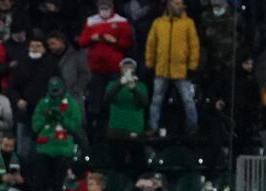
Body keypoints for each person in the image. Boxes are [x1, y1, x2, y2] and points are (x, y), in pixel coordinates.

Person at [77, 0, 134, 136]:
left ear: (111, 8)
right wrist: (93, 37)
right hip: (95, 68)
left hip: (114, 67)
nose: (104, 11)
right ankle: (97, 128)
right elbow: (81, 41)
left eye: (106, 8)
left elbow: (127, 43)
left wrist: (114, 41)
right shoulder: (91, 22)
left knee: (113, 96)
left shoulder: (121, 22)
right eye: (101, 8)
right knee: (95, 99)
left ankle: (114, 124)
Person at [144, 0, 199, 138]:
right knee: (156, 100)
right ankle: (153, 126)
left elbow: (194, 46)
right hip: (161, 69)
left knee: (188, 100)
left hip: (181, 70)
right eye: (176, 3)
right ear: (169, 5)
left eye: (180, 3)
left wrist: (192, 66)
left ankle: (192, 126)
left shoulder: (188, 23)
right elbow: (151, 45)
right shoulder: (158, 23)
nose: (179, 6)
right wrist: (150, 64)